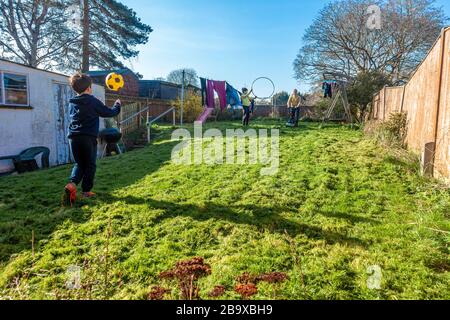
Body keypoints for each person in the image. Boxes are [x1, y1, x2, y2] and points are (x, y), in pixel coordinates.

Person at [63, 72, 121, 207]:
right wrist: (117, 105)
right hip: (88, 138)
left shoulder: (72, 103)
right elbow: (109, 113)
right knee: (90, 165)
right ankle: (86, 191)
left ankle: (71, 185)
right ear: (89, 88)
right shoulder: (92, 100)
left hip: (73, 138)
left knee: (79, 164)